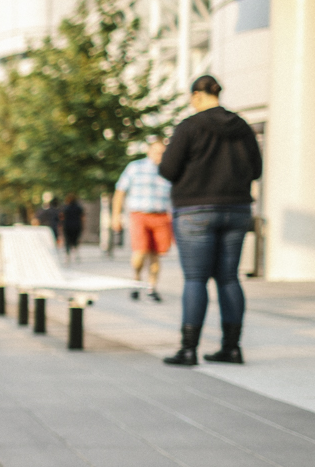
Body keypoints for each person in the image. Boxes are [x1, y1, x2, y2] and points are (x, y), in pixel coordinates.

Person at [159, 74, 262, 365]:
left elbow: (168, 169)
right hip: (237, 209)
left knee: (195, 278)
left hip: (195, 210)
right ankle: (232, 347)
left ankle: (189, 349)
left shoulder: (189, 126)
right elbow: (256, 169)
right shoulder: (241, 126)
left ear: (197, 96)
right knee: (229, 278)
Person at [111, 137, 172, 301]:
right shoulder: (135, 167)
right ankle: (136, 280)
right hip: (140, 214)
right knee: (140, 252)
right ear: (149, 151)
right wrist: (115, 216)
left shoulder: (169, 170)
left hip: (161, 216)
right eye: (156, 151)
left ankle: (151, 287)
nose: (159, 155)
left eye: (162, 152)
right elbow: (120, 191)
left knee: (156, 254)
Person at [60, 194, 84, 262]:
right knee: (75, 240)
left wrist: (61, 226)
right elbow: (82, 218)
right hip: (77, 225)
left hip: (67, 226)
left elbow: (62, 217)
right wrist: (83, 226)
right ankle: (76, 254)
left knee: (67, 241)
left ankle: (68, 256)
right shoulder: (78, 208)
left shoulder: (65, 208)